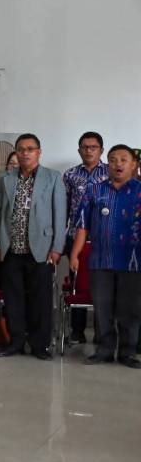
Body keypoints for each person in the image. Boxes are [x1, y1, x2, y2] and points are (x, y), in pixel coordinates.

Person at [0, 134, 66, 361]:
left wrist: (57, 248)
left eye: (30, 149)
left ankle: (39, 345)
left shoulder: (52, 178)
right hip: (11, 248)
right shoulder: (6, 178)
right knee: (13, 299)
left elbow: (60, 215)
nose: (25, 153)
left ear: (39, 152)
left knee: (40, 300)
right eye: (21, 149)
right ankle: (15, 342)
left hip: (41, 250)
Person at [71, 145, 141, 369]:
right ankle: (104, 350)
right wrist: (75, 253)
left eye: (123, 160)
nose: (118, 164)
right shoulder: (95, 191)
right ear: (107, 164)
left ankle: (127, 352)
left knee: (129, 310)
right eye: (113, 160)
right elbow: (83, 225)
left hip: (134, 262)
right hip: (101, 261)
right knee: (102, 308)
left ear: (133, 165)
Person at [63, 131, 108, 344]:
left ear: (101, 150)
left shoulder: (111, 172)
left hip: (103, 238)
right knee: (77, 284)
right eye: (85, 147)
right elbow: (63, 207)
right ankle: (77, 331)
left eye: (93, 147)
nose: (89, 150)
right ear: (79, 150)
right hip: (75, 237)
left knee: (102, 287)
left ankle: (102, 333)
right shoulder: (70, 175)